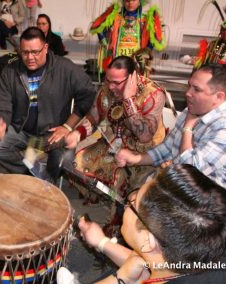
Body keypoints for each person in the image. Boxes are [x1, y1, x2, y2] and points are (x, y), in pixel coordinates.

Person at [60, 164, 226, 283]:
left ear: (150, 241)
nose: (130, 199)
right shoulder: (210, 247)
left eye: (133, 204)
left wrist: (121, 278)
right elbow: (153, 264)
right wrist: (101, 242)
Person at [64, 55, 166, 235]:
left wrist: (128, 99)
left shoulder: (153, 93)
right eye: (108, 80)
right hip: (114, 144)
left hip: (145, 156)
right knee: (77, 163)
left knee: (126, 190)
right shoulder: (107, 89)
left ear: (133, 77)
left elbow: (145, 136)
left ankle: (117, 229)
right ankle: (102, 197)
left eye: (117, 82)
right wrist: (77, 134)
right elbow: (94, 116)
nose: (111, 86)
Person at [0, 27, 96, 183]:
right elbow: (3, 103)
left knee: (64, 160)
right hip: (22, 132)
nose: (30, 57)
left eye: (35, 52)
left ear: (46, 48)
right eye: (25, 52)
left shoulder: (64, 68)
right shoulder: (10, 70)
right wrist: (2, 122)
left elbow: (89, 94)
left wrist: (68, 126)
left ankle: (47, 184)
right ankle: (31, 175)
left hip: (52, 134)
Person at [116, 64, 226, 193]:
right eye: (189, 85)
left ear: (219, 97)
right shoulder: (193, 110)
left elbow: (191, 170)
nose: (188, 93)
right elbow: (168, 148)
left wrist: (187, 128)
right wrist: (136, 158)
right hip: (181, 188)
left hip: (205, 204)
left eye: (197, 89)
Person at [90, 0, 165, 79]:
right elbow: (98, 27)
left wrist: (146, 51)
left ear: (139, 1)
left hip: (137, 62)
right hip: (118, 61)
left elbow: (154, 38)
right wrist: (105, 44)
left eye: (133, 0)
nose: (130, 3)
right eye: (127, 0)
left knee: (136, 87)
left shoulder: (145, 20)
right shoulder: (116, 18)